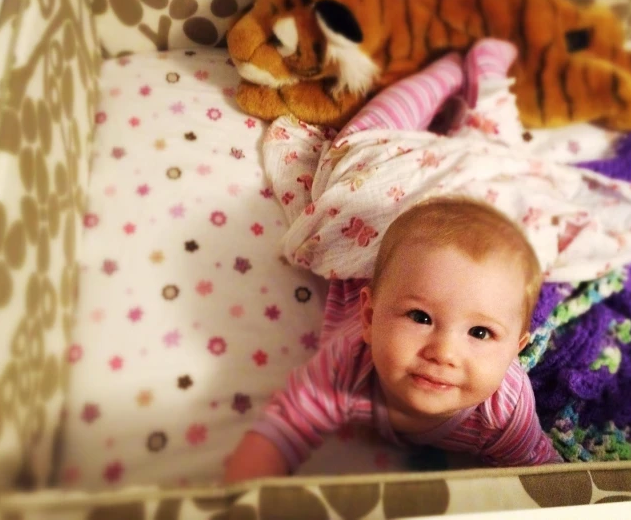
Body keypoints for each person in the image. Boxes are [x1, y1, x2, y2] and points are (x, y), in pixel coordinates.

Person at [223, 194, 562, 483]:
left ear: (515, 351)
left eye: (480, 332)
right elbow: (280, 433)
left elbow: (548, 482)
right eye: (420, 317)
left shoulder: (504, 411)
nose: (443, 353)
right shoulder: (347, 363)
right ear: (369, 318)